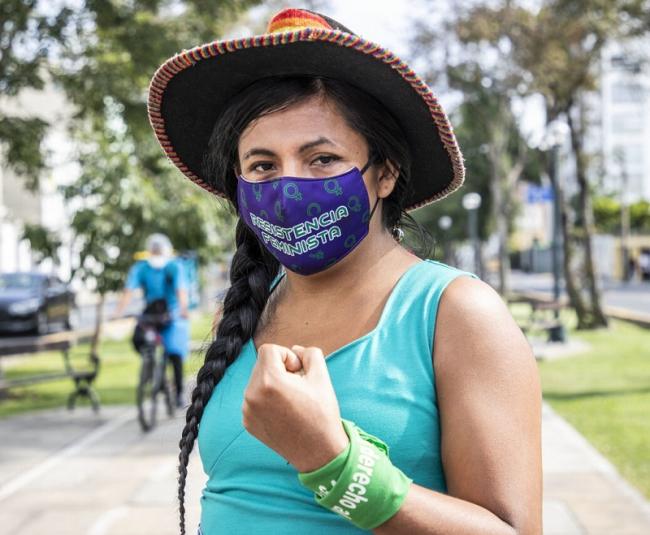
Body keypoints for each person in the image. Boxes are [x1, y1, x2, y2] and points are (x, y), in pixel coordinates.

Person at [147, 7, 541, 535]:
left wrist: (334, 461)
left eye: (322, 159)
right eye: (263, 165)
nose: (288, 188)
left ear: (385, 174)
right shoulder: (247, 309)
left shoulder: (456, 314)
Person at [114, 233, 190, 408]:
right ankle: (154, 371)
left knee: (174, 353)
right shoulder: (141, 268)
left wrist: (184, 309)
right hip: (151, 314)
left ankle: (178, 393)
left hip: (172, 314)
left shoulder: (174, 267)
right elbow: (128, 290)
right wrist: (118, 313)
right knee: (138, 339)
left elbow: (181, 290)